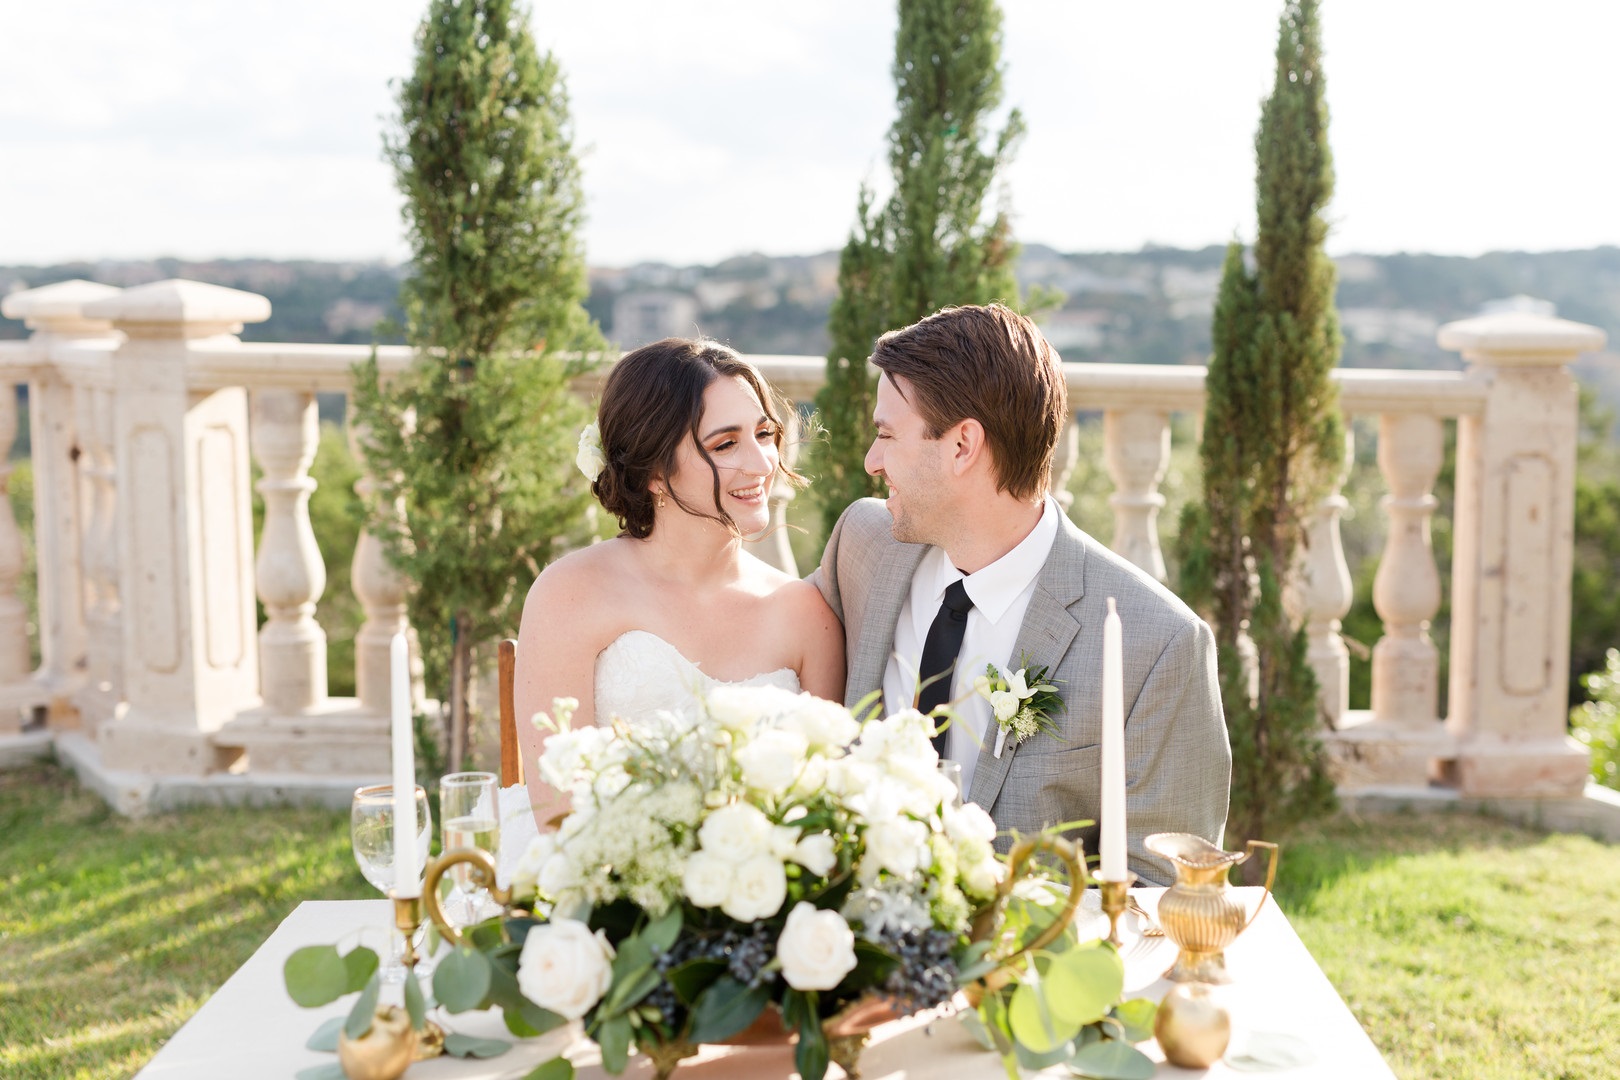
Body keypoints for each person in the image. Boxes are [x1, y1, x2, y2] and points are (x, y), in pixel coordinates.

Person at [810, 303, 1229, 885]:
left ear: (962, 446)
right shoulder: (864, 546)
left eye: (886, 434)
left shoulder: (1159, 646)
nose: (871, 461)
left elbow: (1163, 886)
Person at [512, 337, 845, 832]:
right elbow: (558, 816)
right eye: (726, 444)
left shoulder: (804, 613)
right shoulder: (570, 593)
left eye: (765, 433)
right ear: (653, 472)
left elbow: (826, 808)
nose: (761, 464)